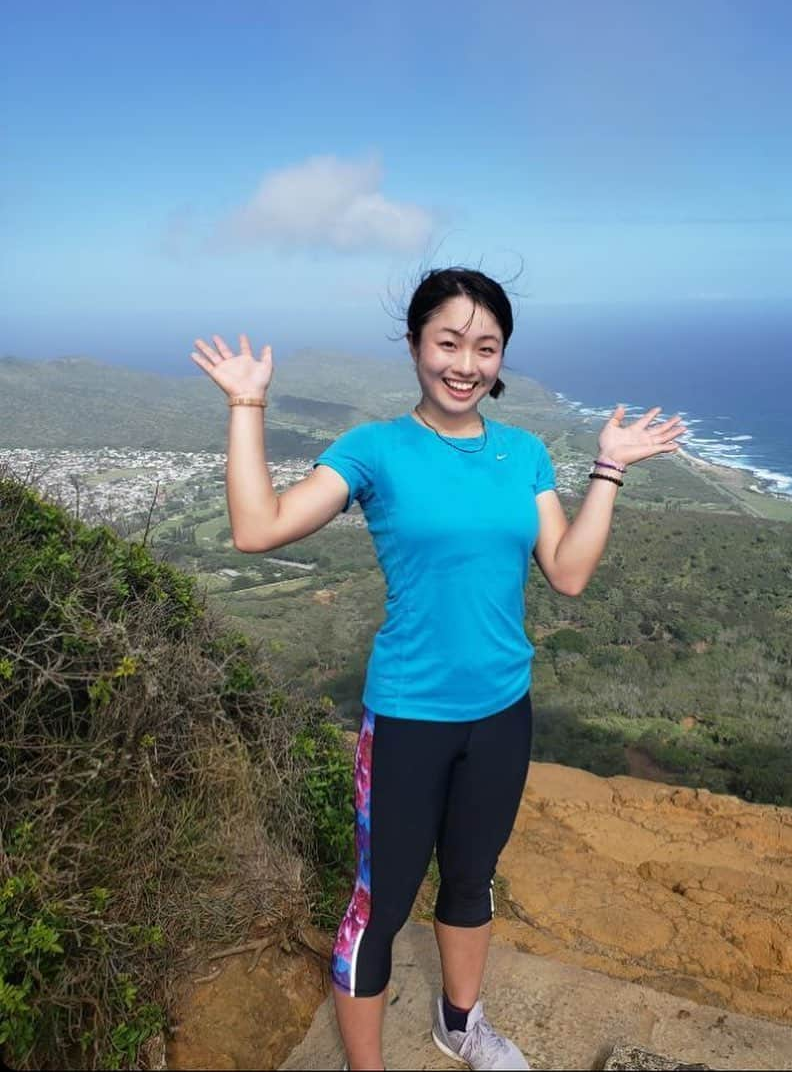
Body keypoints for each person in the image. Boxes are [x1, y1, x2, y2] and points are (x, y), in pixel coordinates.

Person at [190, 267, 686, 1071]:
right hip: (409, 716)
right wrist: (247, 405)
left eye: (485, 347)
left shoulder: (522, 453)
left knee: (469, 879)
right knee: (378, 905)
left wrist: (609, 468)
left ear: (501, 359)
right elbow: (257, 527)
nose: (465, 363)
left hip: (501, 711)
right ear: (416, 344)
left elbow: (565, 569)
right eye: (448, 341)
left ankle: (460, 1025)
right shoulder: (375, 449)